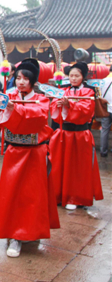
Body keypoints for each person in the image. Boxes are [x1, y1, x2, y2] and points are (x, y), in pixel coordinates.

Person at [0, 59, 60, 258]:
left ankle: (28, 231)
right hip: (14, 151)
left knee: (31, 195)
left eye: (25, 79)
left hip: (34, 153)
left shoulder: (41, 99)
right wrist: (2, 107)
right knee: (11, 194)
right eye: (18, 77)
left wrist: (14, 109)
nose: (20, 82)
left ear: (33, 81)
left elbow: (37, 118)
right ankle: (14, 234)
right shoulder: (9, 95)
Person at [49, 62, 104, 210]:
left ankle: (76, 197)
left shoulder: (89, 92)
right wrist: (59, 104)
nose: (73, 78)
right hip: (64, 133)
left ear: (83, 76)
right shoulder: (63, 90)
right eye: (71, 75)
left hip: (80, 134)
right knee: (59, 165)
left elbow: (86, 110)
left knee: (78, 168)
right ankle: (58, 195)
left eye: (77, 75)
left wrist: (69, 105)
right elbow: (54, 109)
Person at [99, 65, 112, 157]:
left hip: (105, 108)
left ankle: (103, 151)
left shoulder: (102, 81)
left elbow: (99, 95)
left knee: (104, 130)